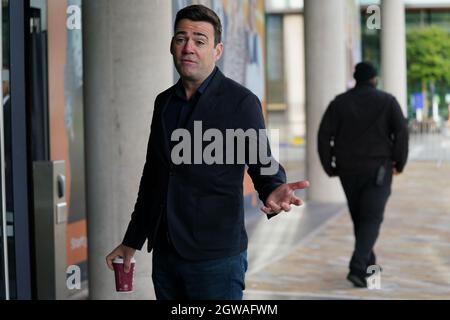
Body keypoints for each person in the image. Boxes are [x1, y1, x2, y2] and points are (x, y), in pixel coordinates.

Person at [106, 5, 309, 300]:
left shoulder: (240, 102)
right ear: (172, 46)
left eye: (200, 41)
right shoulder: (163, 103)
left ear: (217, 50)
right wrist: (132, 241)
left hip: (216, 260)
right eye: (181, 39)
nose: (189, 48)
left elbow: (263, 165)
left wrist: (274, 188)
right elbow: (153, 178)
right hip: (165, 255)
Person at [318, 62, 409, 288]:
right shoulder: (387, 101)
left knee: (361, 218)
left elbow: (323, 136)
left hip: (348, 170)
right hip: (379, 169)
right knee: (371, 218)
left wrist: (329, 166)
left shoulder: (339, 103)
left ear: (356, 78)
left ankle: (371, 266)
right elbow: (401, 132)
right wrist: (400, 162)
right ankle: (358, 268)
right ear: (374, 79)